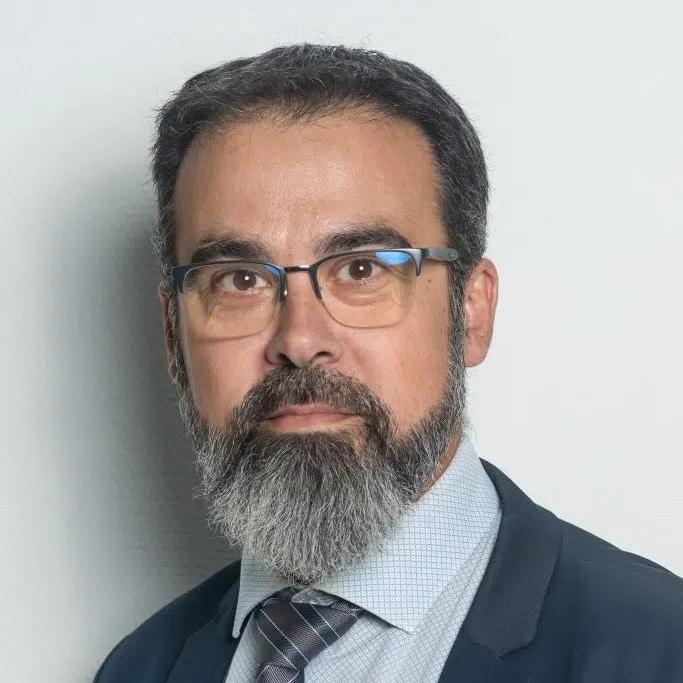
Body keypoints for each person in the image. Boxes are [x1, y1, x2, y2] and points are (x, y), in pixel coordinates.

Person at [94, 44, 683, 682]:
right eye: (240, 280)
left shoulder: (659, 650)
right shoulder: (139, 667)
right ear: (172, 333)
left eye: (361, 269)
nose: (299, 340)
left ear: (471, 312)